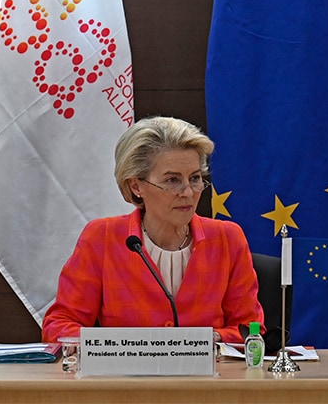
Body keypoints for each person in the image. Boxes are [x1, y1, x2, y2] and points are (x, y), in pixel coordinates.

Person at [42, 116, 263, 344]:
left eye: (195, 178)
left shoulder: (227, 238)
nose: (188, 192)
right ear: (136, 186)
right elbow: (59, 324)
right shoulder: (102, 237)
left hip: (208, 377)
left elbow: (250, 328)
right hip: (126, 378)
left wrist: (204, 342)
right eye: (172, 180)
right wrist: (120, 347)